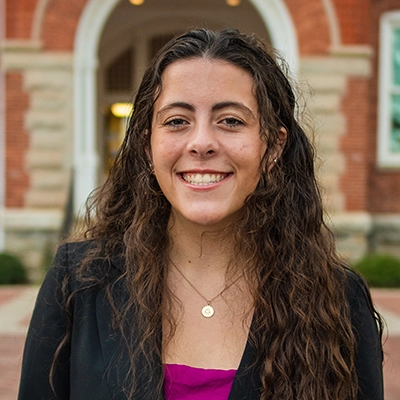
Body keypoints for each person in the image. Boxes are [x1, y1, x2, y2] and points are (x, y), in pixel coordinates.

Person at [18, 28, 383, 400]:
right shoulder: (79, 283)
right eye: (177, 121)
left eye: (231, 121)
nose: (202, 143)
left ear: (273, 147)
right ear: (147, 145)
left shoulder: (338, 300)